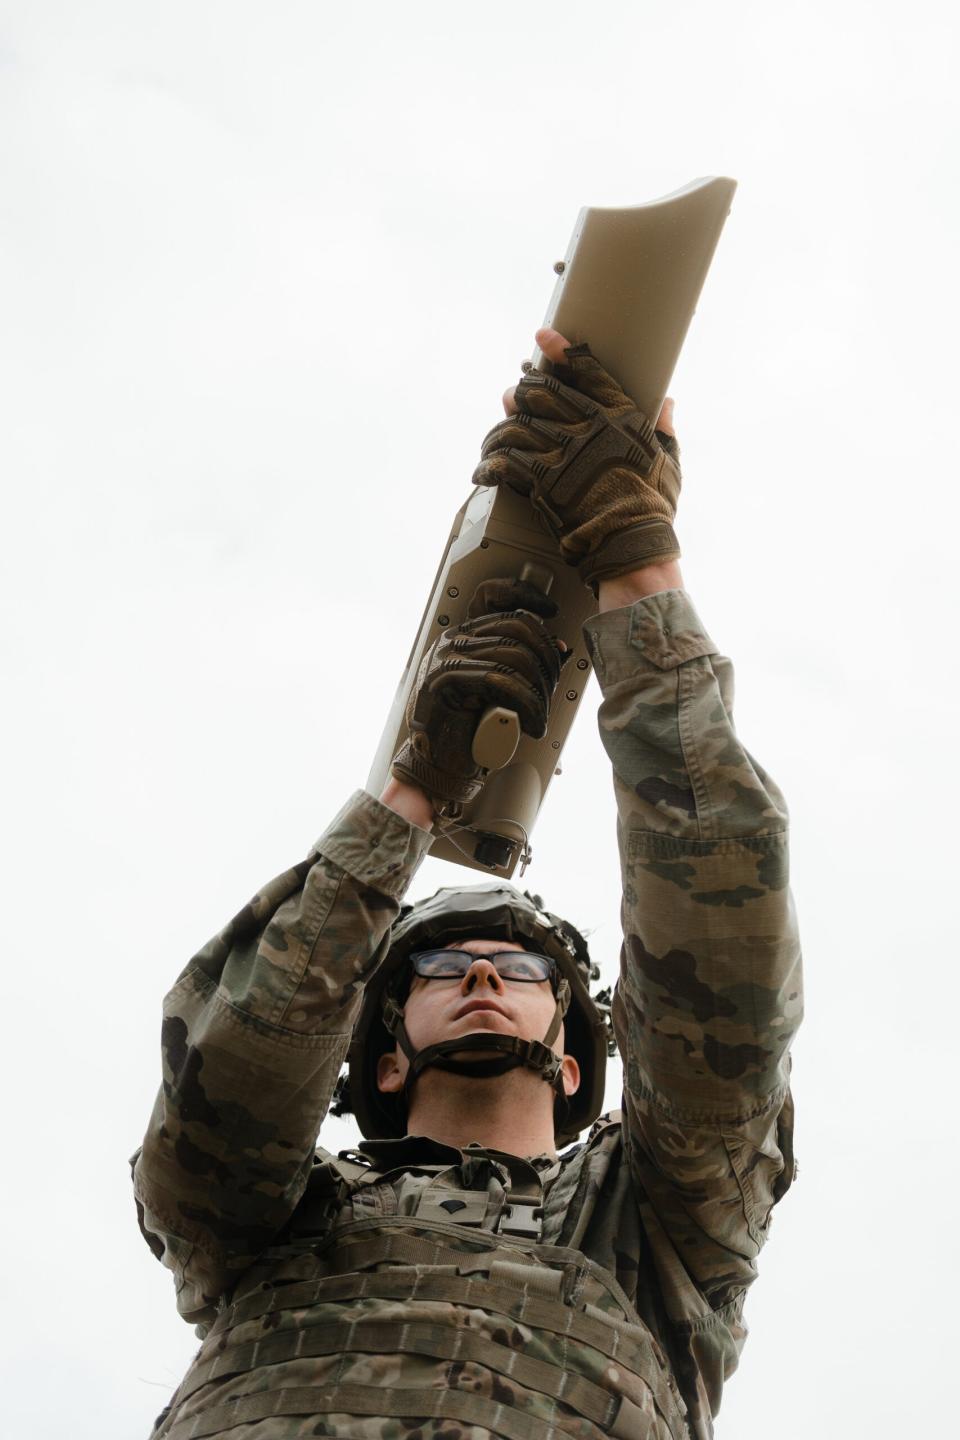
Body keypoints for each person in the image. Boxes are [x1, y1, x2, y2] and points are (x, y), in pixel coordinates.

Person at [132, 329, 802, 1440]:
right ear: (382, 1051)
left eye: (522, 965)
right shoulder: (269, 1224)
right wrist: (410, 793)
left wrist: (641, 578)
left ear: (580, 1044)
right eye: (440, 964)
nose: (484, 969)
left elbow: (722, 981)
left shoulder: (659, 1237)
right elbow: (222, 1094)